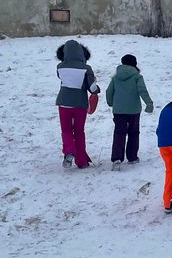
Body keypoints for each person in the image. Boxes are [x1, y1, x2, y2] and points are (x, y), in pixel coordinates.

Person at [55, 39, 99, 169]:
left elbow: (62, 78)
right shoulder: (86, 68)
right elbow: (92, 88)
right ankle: (81, 161)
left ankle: (69, 152)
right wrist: (96, 87)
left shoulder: (60, 67)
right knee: (79, 131)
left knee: (66, 130)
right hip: (80, 104)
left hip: (63, 103)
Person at [105, 54, 154, 170]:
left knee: (119, 133)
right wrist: (149, 103)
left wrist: (111, 103)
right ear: (134, 64)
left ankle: (117, 159)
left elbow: (108, 91)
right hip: (134, 110)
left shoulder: (116, 77)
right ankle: (132, 157)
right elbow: (142, 90)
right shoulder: (137, 77)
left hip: (118, 110)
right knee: (133, 133)